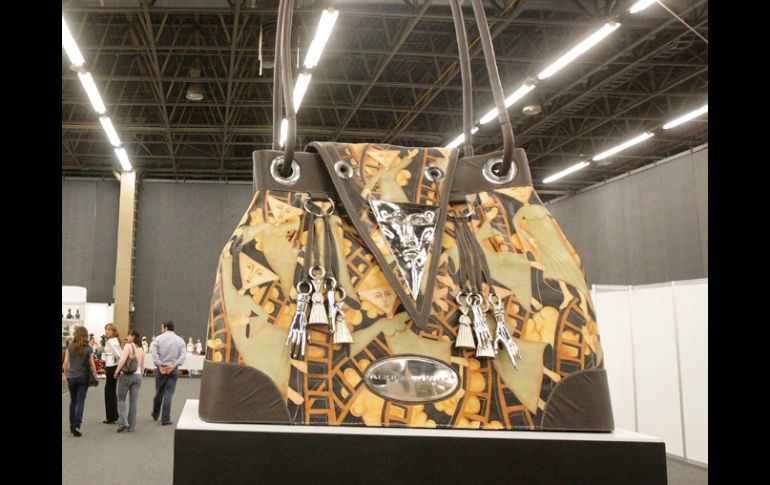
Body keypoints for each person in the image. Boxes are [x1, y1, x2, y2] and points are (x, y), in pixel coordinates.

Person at [62, 326, 97, 437]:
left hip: (71, 377)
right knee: (80, 401)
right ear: (85, 335)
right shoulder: (88, 348)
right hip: (83, 377)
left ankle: (71, 424)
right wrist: (95, 374)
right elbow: (92, 364)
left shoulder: (70, 347)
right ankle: (77, 424)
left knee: (73, 401)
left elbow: (65, 363)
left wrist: (66, 376)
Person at [151, 321, 186, 425]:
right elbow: (183, 356)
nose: (161, 329)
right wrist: (174, 365)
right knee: (168, 394)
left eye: (162, 328)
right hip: (173, 369)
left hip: (161, 369)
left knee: (158, 392)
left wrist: (160, 366)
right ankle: (165, 419)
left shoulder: (158, 339)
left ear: (166, 328)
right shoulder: (180, 340)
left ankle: (155, 414)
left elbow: (154, 354)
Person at [114, 329, 145, 433]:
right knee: (134, 402)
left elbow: (122, 360)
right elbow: (142, 364)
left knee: (121, 399)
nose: (127, 337)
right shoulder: (141, 348)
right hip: (137, 375)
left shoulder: (128, 346)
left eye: (129, 335)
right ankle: (131, 426)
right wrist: (140, 375)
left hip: (126, 376)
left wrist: (117, 371)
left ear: (133, 336)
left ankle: (124, 423)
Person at [101, 323, 123, 424]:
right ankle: (113, 415)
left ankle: (111, 417)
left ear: (113, 331)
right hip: (112, 366)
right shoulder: (113, 340)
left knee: (109, 391)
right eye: (106, 329)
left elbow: (118, 355)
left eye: (109, 330)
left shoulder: (111, 341)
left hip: (112, 367)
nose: (106, 331)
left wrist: (119, 367)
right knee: (111, 390)